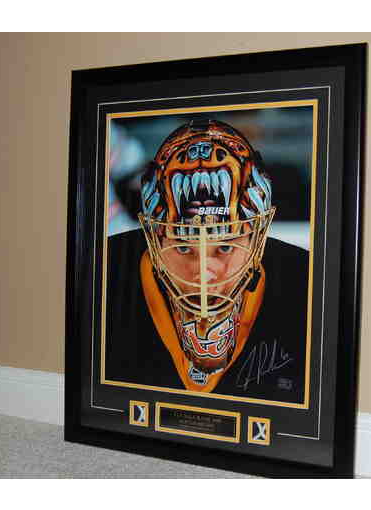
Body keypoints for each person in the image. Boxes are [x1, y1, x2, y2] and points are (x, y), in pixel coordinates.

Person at [105, 119, 308, 404]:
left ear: (257, 238)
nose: (203, 273)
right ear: (154, 239)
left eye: (224, 246)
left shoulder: (309, 289)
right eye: (183, 247)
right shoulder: (106, 280)